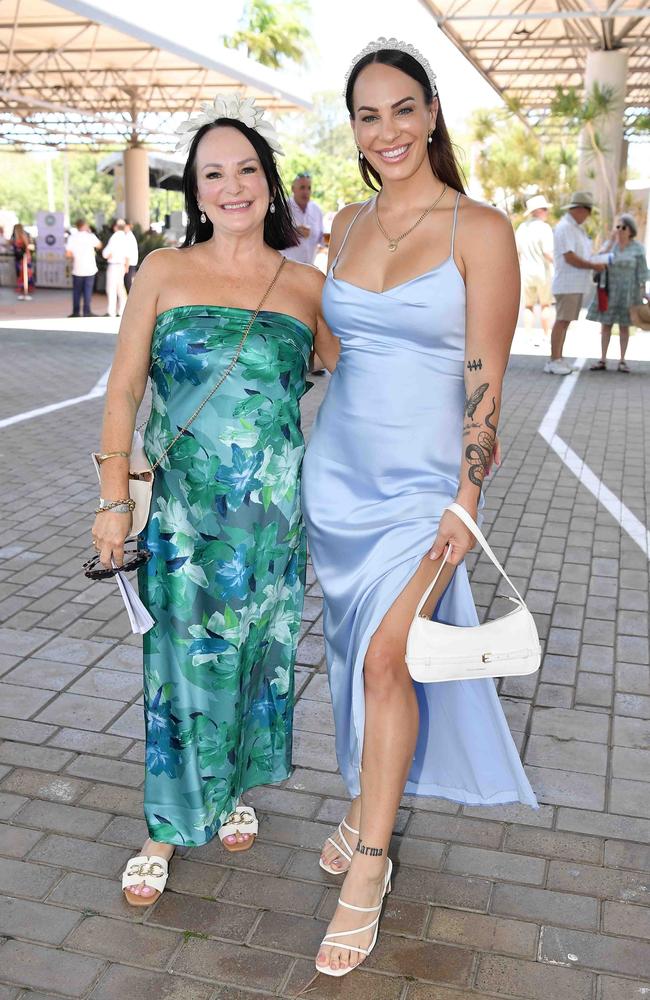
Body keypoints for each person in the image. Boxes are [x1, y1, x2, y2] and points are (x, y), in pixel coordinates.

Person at [301, 39, 537, 978]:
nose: (386, 129)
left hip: (424, 491)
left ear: (432, 113)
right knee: (358, 656)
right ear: (354, 129)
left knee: (389, 657)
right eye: (368, 114)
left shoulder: (479, 229)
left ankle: (369, 863)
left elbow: (486, 382)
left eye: (403, 108)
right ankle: (368, 803)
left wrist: (467, 500)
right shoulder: (349, 223)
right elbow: (324, 347)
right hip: (338, 479)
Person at [91, 94, 336, 906]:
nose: (233, 187)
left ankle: (230, 790)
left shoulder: (308, 287)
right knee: (176, 673)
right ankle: (161, 828)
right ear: (196, 192)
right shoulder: (162, 270)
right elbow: (123, 391)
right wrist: (112, 502)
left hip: (272, 524)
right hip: (184, 525)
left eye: (247, 170)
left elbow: (365, 379)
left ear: (270, 183)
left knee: (257, 661)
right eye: (213, 175)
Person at [547, 191, 606, 375]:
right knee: (562, 321)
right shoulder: (565, 227)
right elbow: (570, 257)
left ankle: (559, 358)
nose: (587, 217)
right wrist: (593, 265)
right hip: (567, 283)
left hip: (574, 283)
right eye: (587, 212)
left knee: (565, 322)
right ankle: (554, 360)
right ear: (580, 210)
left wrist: (593, 262)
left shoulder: (575, 228)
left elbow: (580, 255)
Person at [587, 213, 649, 373]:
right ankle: (603, 359)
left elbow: (642, 273)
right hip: (609, 291)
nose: (620, 230)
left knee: (624, 327)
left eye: (623, 227)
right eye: (618, 227)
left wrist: (644, 294)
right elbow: (597, 260)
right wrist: (610, 243)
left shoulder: (638, 248)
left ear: (630, 230)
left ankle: (622, 360)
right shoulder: (610, 245)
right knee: (606, 325)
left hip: (629, 292)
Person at [515, 194, 553, 341]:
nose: (547, 212)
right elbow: (547, 252)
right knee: (545, 305)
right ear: (538, 211)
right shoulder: (545, 228)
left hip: (526, 271)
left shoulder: (522, 228)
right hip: (542, 271)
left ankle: (529, 335)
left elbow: (517, 252)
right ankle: (545, 335)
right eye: (545, 209)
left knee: (528, 306)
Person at [282, 172, 324, 264]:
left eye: (309, 188)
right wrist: (292, 233)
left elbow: (322, 240)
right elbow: (271, 240)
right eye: (302, 187)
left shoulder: (316, 210)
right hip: (286, 269)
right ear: (293, 189)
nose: (306, 192)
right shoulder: (282, 209)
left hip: (309, 268)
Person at [65, 219, 102, 317]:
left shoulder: (72, 238)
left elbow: (68, 254)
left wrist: (74, 257)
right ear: (85, 226)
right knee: (88, 291)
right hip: (90, 268)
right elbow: (99, 245)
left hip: (77, 268)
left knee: (76, 292)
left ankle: (76, 312)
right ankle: (87, 311)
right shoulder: (90, 236)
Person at [102, 218, 129, 317]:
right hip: (121, 265)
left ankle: (111, 311)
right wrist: (126, 266)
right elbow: (128, 255)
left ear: (115, 227)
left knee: (111, 288)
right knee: (120, 288)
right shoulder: (126, 237)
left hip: (113, 265)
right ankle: (122, 310)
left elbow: (105, 253)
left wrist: (107, 255)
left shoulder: (114, 237)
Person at [11, 224, 34, 300]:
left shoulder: (23, 235)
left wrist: (27, 256)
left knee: (25, 273)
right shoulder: (16, 236)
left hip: (24, 258)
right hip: (19, 257)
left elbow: (27, 246)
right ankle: (21, 287)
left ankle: (26, 288)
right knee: (20, 273)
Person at [124, 221, 139, 292]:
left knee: (128, 283)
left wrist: (126, 265)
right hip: (130, 263)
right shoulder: (129, 236)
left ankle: (130, 300)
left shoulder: (128, 237)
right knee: (128, 282)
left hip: (129, 263)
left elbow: (128, 252)